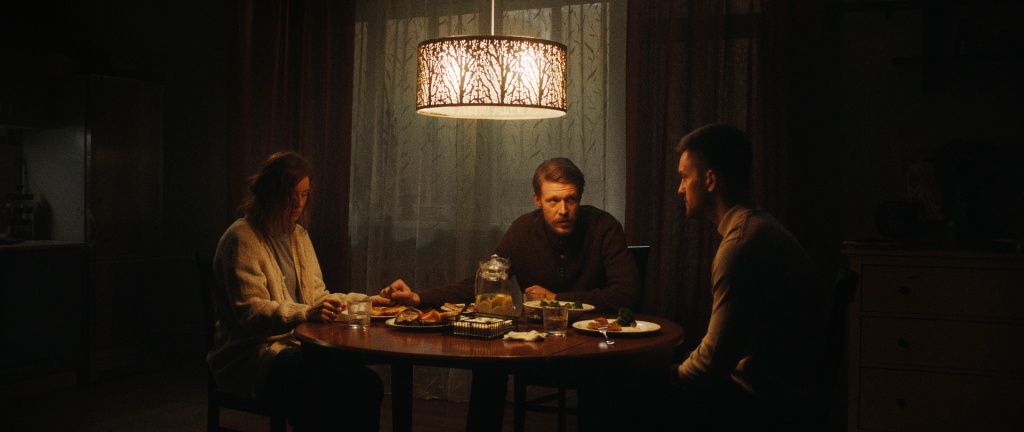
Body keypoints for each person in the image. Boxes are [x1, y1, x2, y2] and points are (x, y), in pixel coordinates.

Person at [380, 157, 640, 432]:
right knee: (488, 367)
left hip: (594, 342)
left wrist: (556, 300)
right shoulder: (522, 230)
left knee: (606, 376)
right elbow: (479, 284)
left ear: (580, 197)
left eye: (571, 200)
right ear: (537, 200)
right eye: (553, 201)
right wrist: (418, 298)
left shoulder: (603, 227)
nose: (563, 210)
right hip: (537, 342)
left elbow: (626, 294)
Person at [207, 150, 386, 431]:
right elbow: (250, 313)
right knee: (323, 386)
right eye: (291, 195)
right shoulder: (241, 238)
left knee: (367, 382)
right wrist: (305, 313)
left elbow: (317, 297)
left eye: (303, 194)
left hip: (295, 348)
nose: (298, 203)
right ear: (269, 193)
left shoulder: (298, 235)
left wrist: (369, 301)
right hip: (252, 357)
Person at [666, 124, 826, 431]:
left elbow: (712, 364)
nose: (680, 189)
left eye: (685, 176)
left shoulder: (740, 247)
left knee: (635, 393)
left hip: (764, 403)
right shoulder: (757, 227)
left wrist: (669, 374)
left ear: (710, 180)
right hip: (785, 391)